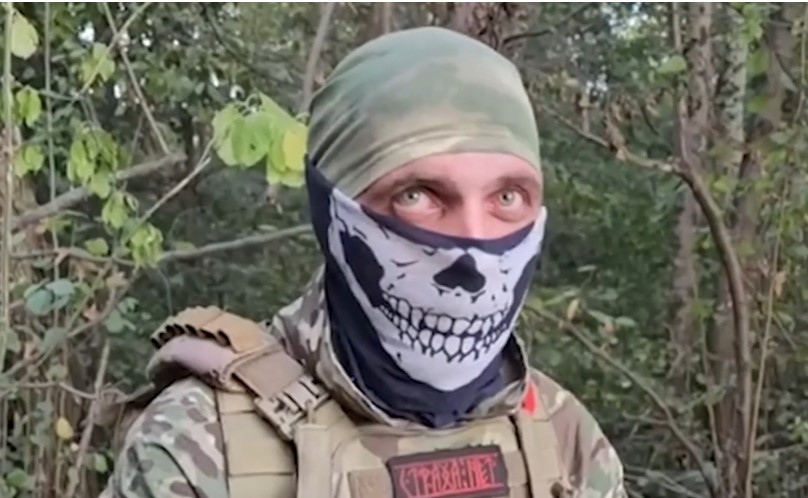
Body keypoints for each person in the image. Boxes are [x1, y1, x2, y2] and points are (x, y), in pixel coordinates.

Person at [100, 26, 626, 498]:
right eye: (418, 196)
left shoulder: (559, 435)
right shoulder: (203, 444)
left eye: (507, 198)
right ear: (331, 209)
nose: (474, 249)